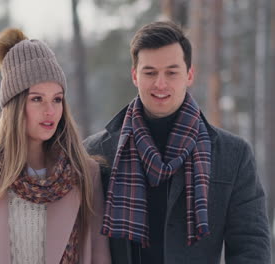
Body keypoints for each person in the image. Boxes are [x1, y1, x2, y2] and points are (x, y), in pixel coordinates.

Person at [84, 21, 271, 264]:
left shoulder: (233, 155)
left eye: (171, 72)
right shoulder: (96, 152)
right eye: (150, 72)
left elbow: (251, 247)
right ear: (134, 76)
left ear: (189, 75)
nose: (160, 84)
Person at [0, 28, 111, 264]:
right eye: (37, 99)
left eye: (57, 99)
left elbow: (99, 258)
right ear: (15, 105)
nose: (50, 110)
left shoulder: (84, 175)